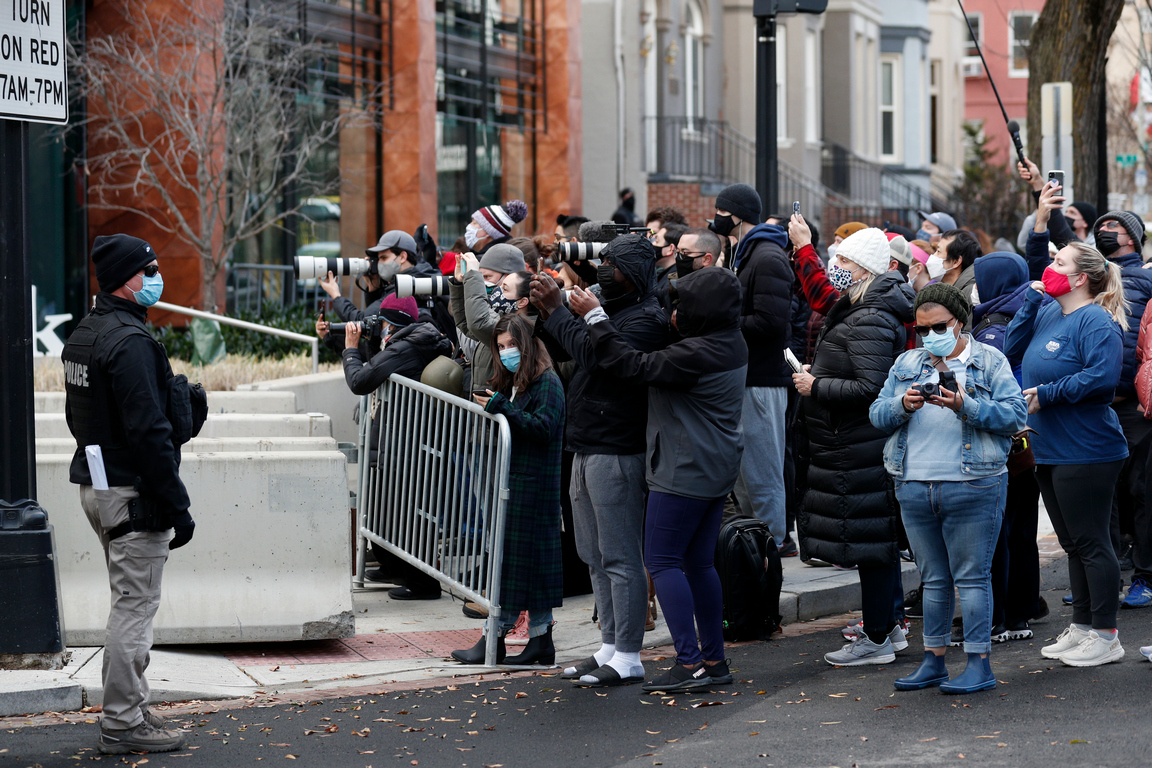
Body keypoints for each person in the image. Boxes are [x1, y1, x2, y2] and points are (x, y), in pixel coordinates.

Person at [566, 267, 748, 691]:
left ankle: (689, 663)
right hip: (715, 466)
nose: (675, 313)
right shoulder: (730, 340)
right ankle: (714, 660)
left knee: (663, 562)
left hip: (682, 470)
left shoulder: (696, 353)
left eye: (684, 305)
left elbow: (631, 365)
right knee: (699, 564)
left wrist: (595, 316)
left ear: (704, 312)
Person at [62, 235, 195, 755]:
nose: (158, 276)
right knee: (134, 608)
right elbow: (149, 434)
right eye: (152, 268)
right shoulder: (131, 341)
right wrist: (177, 505)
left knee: (127, 601)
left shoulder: (85, 334)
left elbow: (86, 417)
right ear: (129, 278)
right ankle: (122, 723)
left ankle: (132, 705)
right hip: (131, 492)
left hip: (98, 486)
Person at [871, 283, 1027, 693]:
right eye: (920, 329)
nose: (928, 337)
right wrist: (901, 404)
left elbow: (1015, 416)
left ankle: (979, 664)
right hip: (915, 484)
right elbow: (876, 415)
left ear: (959, 322)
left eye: (938, 327)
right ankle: (933, 660)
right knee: (934, 580)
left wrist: (964, 405)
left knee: (973, 578)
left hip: (974, 484)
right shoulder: (907, 362)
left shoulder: (990, 360)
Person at [530, 233, 669, 687]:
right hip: (586, 443)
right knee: (592, 554)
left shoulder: (647, 318)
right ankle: (609, 644)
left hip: (618, 448)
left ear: (633, 272)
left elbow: (595, 355)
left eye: (613, 264)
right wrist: (556, 307)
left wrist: (558, 310)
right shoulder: (610, 307)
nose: (604, 270)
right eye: (601, 262)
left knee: (620, 556)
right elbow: (575, 346)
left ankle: (629, 654)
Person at [787, 228, 914, 666]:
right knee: (873, 545)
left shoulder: (871, 315)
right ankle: (889, 629)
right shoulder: (863, 308)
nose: (834, 270)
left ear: (865, 269)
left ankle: (877, 637)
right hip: (851, 446)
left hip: (858, 447)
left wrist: (816, 384)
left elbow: (870, 387)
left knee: (872, 546)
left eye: (842, 263)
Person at [1004, 241, 1130, 667]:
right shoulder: (1048, 310)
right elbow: (1011, 348)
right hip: (1050, 447)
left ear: (1080, 279)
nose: (1049, 266)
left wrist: (1049, 394)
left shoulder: (1096, 320)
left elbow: (1102, 378)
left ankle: (1106, 634)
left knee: (1093, 543)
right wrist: (1030, 301)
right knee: (1073, 544)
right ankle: (1081, 626)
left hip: (1088, 449)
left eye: (1059, 263)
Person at [322, 294, 454, 600]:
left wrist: (351, 350)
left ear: (391, 325)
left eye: (380, 323)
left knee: (407, 512)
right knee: (393, 507)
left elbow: (361, 379)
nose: (377, 329)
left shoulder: (406, 348)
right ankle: (397, 568)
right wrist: (341, 341)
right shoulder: (413, 342)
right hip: (407, 438)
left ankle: (422, 584)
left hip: (408, 441)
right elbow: (379, 364)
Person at [450, 315, 566, 665]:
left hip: (535, 487)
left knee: (517, 568)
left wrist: (501, 408)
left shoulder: (547, 382)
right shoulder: (521, 382)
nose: (506, 352)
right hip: (521, 484)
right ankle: (536, 640)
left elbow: (543, 428)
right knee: (522, 568)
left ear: (527, 344)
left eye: (511, 345)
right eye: (500, 347)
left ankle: (498, 638)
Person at [970, 251, 1049, 640]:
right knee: (1022, 528)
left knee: (1001, 528)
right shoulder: (1027, 309)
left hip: (1006, 436)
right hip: (1027, 437)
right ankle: (1022, 609)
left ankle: (1000, 615)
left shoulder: (994, 326)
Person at [712, 183, 794, 548]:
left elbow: (771, 322)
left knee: (762, 479)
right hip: (747, 378)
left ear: (735, 214)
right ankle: (751, 555)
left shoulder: (767, 256)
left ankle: (771, 552)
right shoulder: (746, 253)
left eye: (720, 211)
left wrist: (723, 322)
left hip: (761, 381)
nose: (715, 218)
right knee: (745, 481)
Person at [1090, 210, 1152, 608]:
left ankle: (1145, 576)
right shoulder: (1094, 279)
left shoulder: (1143, 279)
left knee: (1143, 491)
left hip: (1135, 404)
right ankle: (1106, 577)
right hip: (1099, 402)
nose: (1102, 231)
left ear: (1130, 237)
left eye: (1111, 227)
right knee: (1105, 493)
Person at [320, 230, 456, 343]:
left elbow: (361, 321)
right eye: (378, 260)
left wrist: (336, 295)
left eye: (384, 258)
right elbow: (376, 325)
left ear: (402, 257)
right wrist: (372, 286)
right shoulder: (420, 276)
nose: (379, 264)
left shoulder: (408, 287)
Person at [448, 243, 529, 396]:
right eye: (480, 276)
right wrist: (459, 284)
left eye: (487, 277)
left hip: (500, 411)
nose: (483, 283)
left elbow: (479, 322)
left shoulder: (519, 325)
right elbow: (466, 325)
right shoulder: (499, 313)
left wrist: (473, 276)